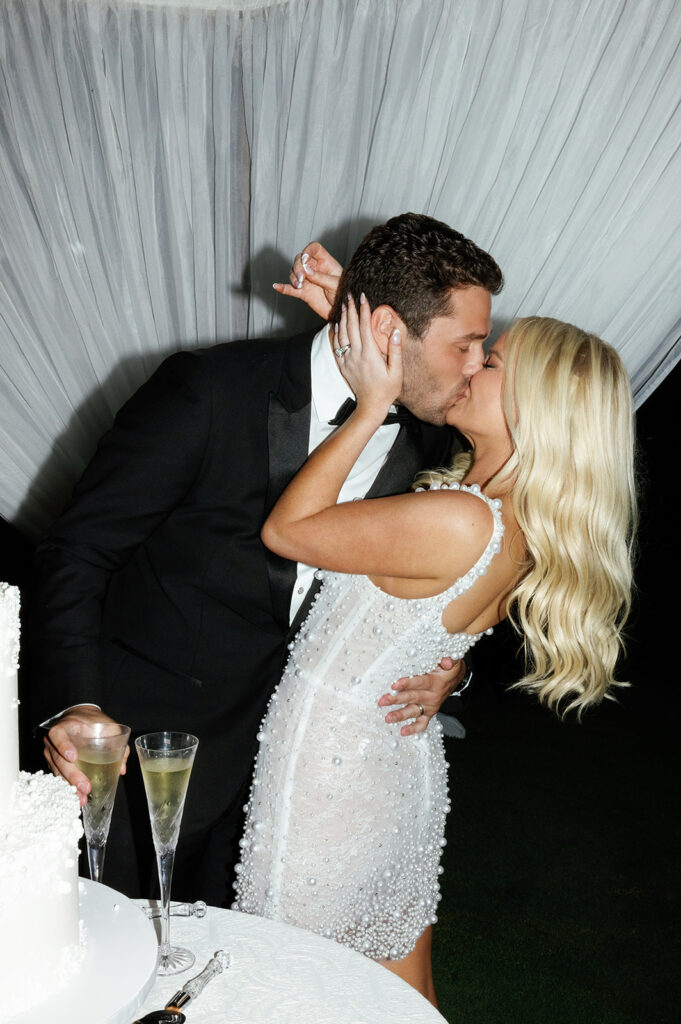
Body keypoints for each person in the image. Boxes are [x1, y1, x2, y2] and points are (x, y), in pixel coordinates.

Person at [31, 213, 503, 903]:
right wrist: (75, 703)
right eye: (465, 344)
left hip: (289, 784)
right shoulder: (208, 390)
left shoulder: (430, 440)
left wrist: (449, 674)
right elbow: (77, 551)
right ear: (387, 331)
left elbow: (434, 593)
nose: (475, 365)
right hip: (141, 760)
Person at [232, 300, 636, 1006]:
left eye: (493, 362)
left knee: (285, 986)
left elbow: (287, 531)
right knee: (404, 994)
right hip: (394, 761)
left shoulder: (461, 518)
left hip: (331, 774)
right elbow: (423, 631)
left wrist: (369, 406)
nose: (472, 366)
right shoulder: (513, 514)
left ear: (534, 406)